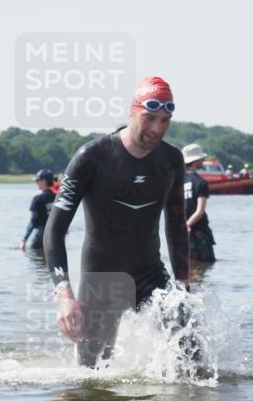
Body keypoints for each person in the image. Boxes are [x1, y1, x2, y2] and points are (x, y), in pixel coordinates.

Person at [43, 76, 189, 367]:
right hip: (102, 282)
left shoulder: (171, 159)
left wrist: (183, 284)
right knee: (92, 373)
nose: (156, 129)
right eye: (149, 118)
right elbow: (54, 230)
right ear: (133, 112)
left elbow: (175, 224)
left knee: (189, 348)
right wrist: (65, 295)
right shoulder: (92, 157)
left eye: (164, 120)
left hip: (150, 275)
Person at [181, 143, 216, 263]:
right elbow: (200, 211)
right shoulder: (200, 183)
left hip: (181, 232)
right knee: (202, 267)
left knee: (188, 268)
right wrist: (188, 225)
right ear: (195, 161)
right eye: (202, 158)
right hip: (198, 230)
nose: (204, 160)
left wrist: (181, 227)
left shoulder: (176, 180)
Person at [19, 170, 57, 251]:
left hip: (40, 235)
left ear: (43, 181)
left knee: (32, 256)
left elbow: (33, 220)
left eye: (37, 180)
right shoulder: (57, 198)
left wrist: (24, 239)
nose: (36, 183)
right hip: (54, 236)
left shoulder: (37, 199)